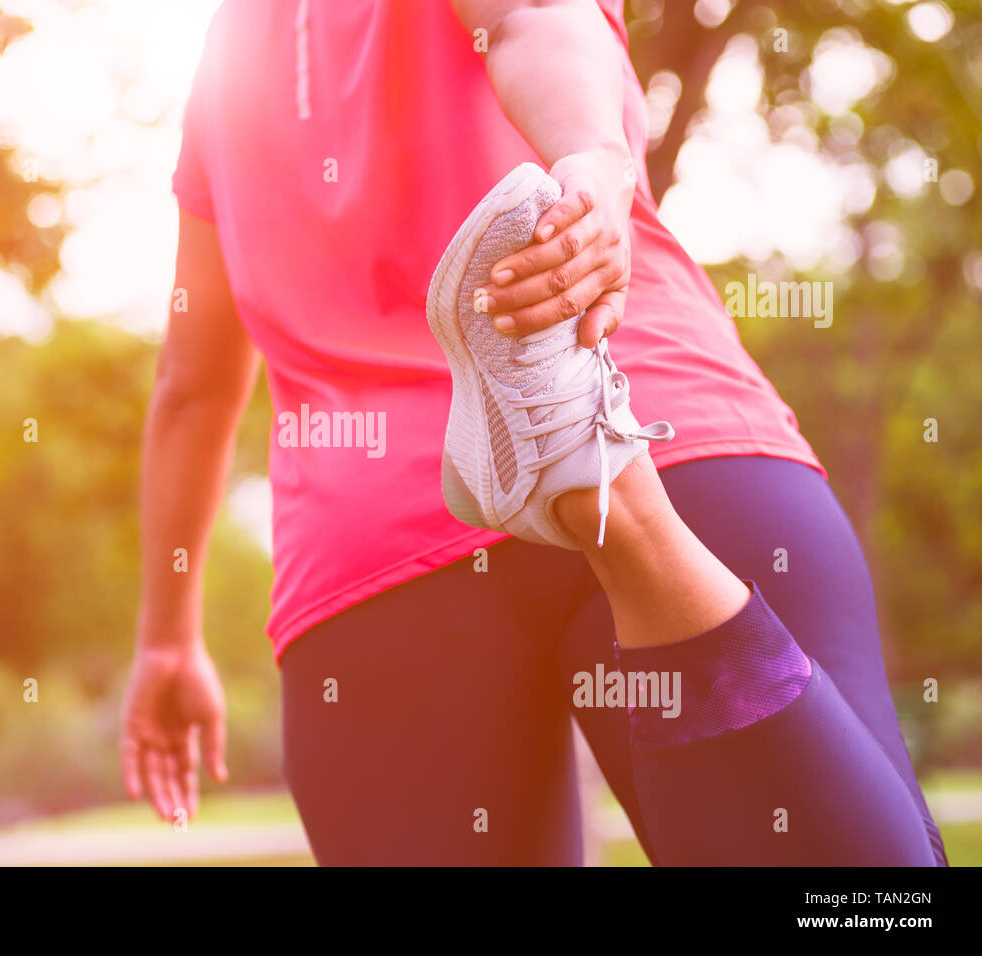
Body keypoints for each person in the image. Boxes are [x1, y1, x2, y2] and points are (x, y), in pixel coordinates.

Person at [120, 0, 946, 865]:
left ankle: (578, 464)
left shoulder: (227, 59)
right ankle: (605, 485)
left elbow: (193, 385)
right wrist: (590, 155)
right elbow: (534, 15)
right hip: (655, 411)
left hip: (375, 552)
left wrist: (169, 638)